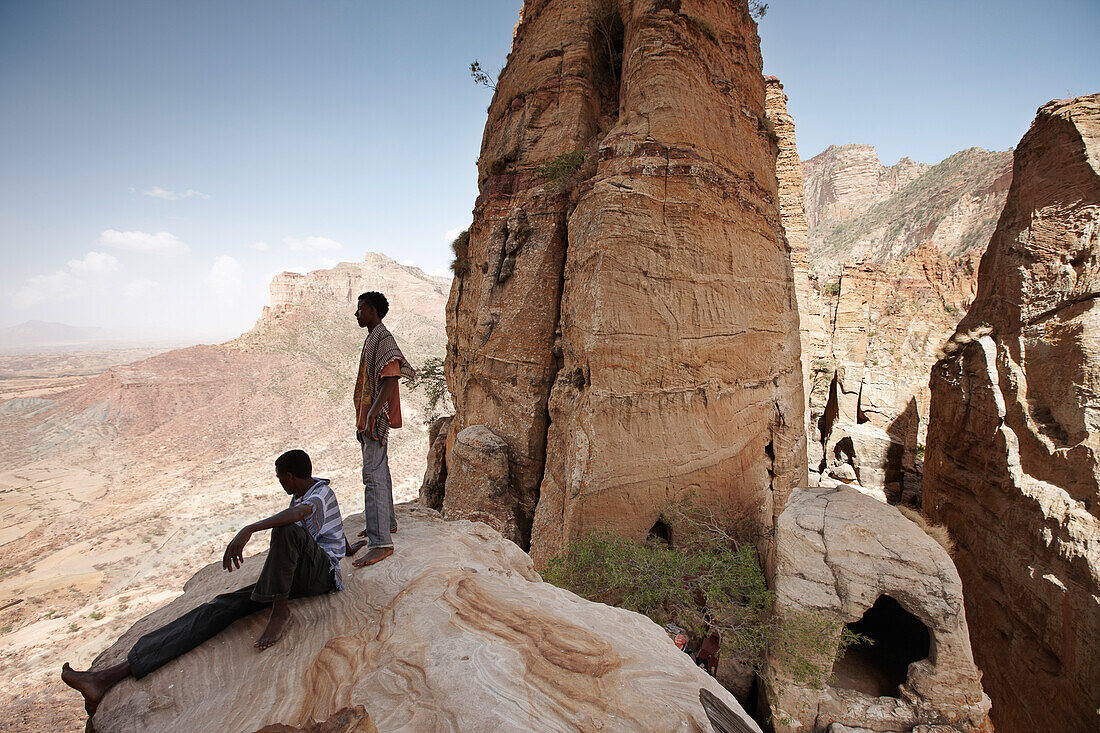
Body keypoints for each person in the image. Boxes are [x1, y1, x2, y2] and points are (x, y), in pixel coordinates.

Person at [60, 450, 365, 715]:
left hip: (321, 577)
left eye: (279, 477)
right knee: (219, 607)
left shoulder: (319, 494)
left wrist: (249, 528)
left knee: (284, 529)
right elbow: (330, 529)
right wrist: (349, 548)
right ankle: (109, 677)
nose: (279, 483)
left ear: (289, 475)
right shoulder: (303, 494)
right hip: (297, 574)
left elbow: (299, 515)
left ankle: (280, 611)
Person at [351, 291, 415, 568]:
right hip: (368, 417)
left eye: (361, 308)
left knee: (372, 476)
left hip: (374, 419)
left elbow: (390, 379)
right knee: (381, 471)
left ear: (373, 310)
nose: (357, 313)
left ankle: (380, 543)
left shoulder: (383, 338)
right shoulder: (373, 337)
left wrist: (372, 416)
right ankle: (386, 523)